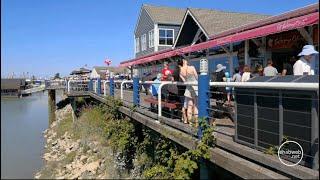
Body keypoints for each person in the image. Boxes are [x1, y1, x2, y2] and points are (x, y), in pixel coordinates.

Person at [179, 59, 198, 126]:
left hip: (188, 88)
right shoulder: (191, 67)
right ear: (184, 61)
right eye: (185, 60)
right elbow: (197, 77)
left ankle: (190, 123)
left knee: (189, 106)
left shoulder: (180, 71)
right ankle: (196, 123)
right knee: (196, 105)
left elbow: (184, 81)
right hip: (195, 87)